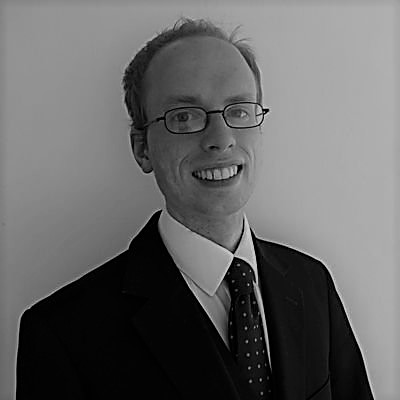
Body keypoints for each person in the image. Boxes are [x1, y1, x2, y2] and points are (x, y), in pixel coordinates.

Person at [16, 18, 374, 400]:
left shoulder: (312, 284)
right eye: (184, 116)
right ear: (142, 148)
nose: (221, 139)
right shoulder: (63, 335)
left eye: (238, 110)